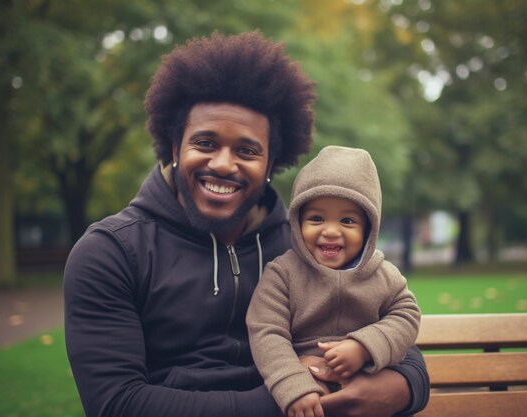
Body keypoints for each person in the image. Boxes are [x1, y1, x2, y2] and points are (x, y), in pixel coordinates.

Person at [63, 31, 429, 417]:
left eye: (246, 150)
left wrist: (407, 387)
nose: (223, 163)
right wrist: (286, 402)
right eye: (205, 143)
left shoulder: (302, 246)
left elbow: (387, 323)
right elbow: (117, 404)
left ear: (271, 163)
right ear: (174, 149)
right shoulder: (111, 252)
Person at [246, 146, 421, 417]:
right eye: (316, 218)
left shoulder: (383, 275)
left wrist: (364, 347)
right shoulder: (282, 273)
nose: (330, 231)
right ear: (297, 222)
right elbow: (266, 331)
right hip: (305, 380)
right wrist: (293, 384)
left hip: (370, 380)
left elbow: (406, 315)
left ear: (368, 230)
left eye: (347, 220)